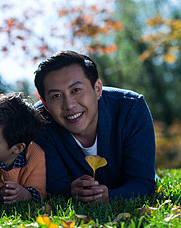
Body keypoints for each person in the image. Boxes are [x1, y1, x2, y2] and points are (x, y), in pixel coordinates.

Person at [33, 50, 156, 203]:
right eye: (56, 96)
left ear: (97, 89)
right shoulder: (39, 121)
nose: (69, 105)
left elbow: (143, 182)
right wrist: (69, 193)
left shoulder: (131, 107)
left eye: (76, 90)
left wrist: (109, 197)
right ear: (45, 104)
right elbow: (53, 187)